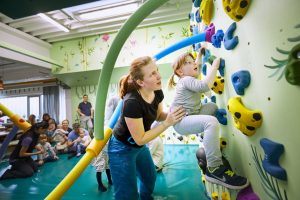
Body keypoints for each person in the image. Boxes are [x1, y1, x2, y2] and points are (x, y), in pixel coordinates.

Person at [168, 49, 249, 190]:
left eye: (193, 61)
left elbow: (196, 68)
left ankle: (209, 137)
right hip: (181, 122)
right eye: (188, 62)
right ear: (180, 72)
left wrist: (198, 57)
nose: (194, 64)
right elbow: (205, 85)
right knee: (211, 122)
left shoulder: (189, 76)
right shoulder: (186, 80)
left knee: (211, 106)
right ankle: (214, 168)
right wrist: (214, 67)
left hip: (192, 113)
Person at [107, 56, 185, 200]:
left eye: (157, 71)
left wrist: (175, 115)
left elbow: (158, 115)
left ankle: (145, 197)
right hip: (121, 149)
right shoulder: (131, 102)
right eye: (152, 74)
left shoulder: (157, 90)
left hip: (138, 146)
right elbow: (140, 139)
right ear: (140, 82)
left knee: (150, 177)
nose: (159, 76)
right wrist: (167, 123)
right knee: (127, 195)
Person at [91, 77, 124, 192]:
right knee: (100, 164)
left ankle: (110, 180)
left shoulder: (125, 100)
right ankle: (100, 184)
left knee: (108, 163)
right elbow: (108, 120)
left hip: (111, 138)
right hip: (102, 138)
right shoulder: (114, 99)